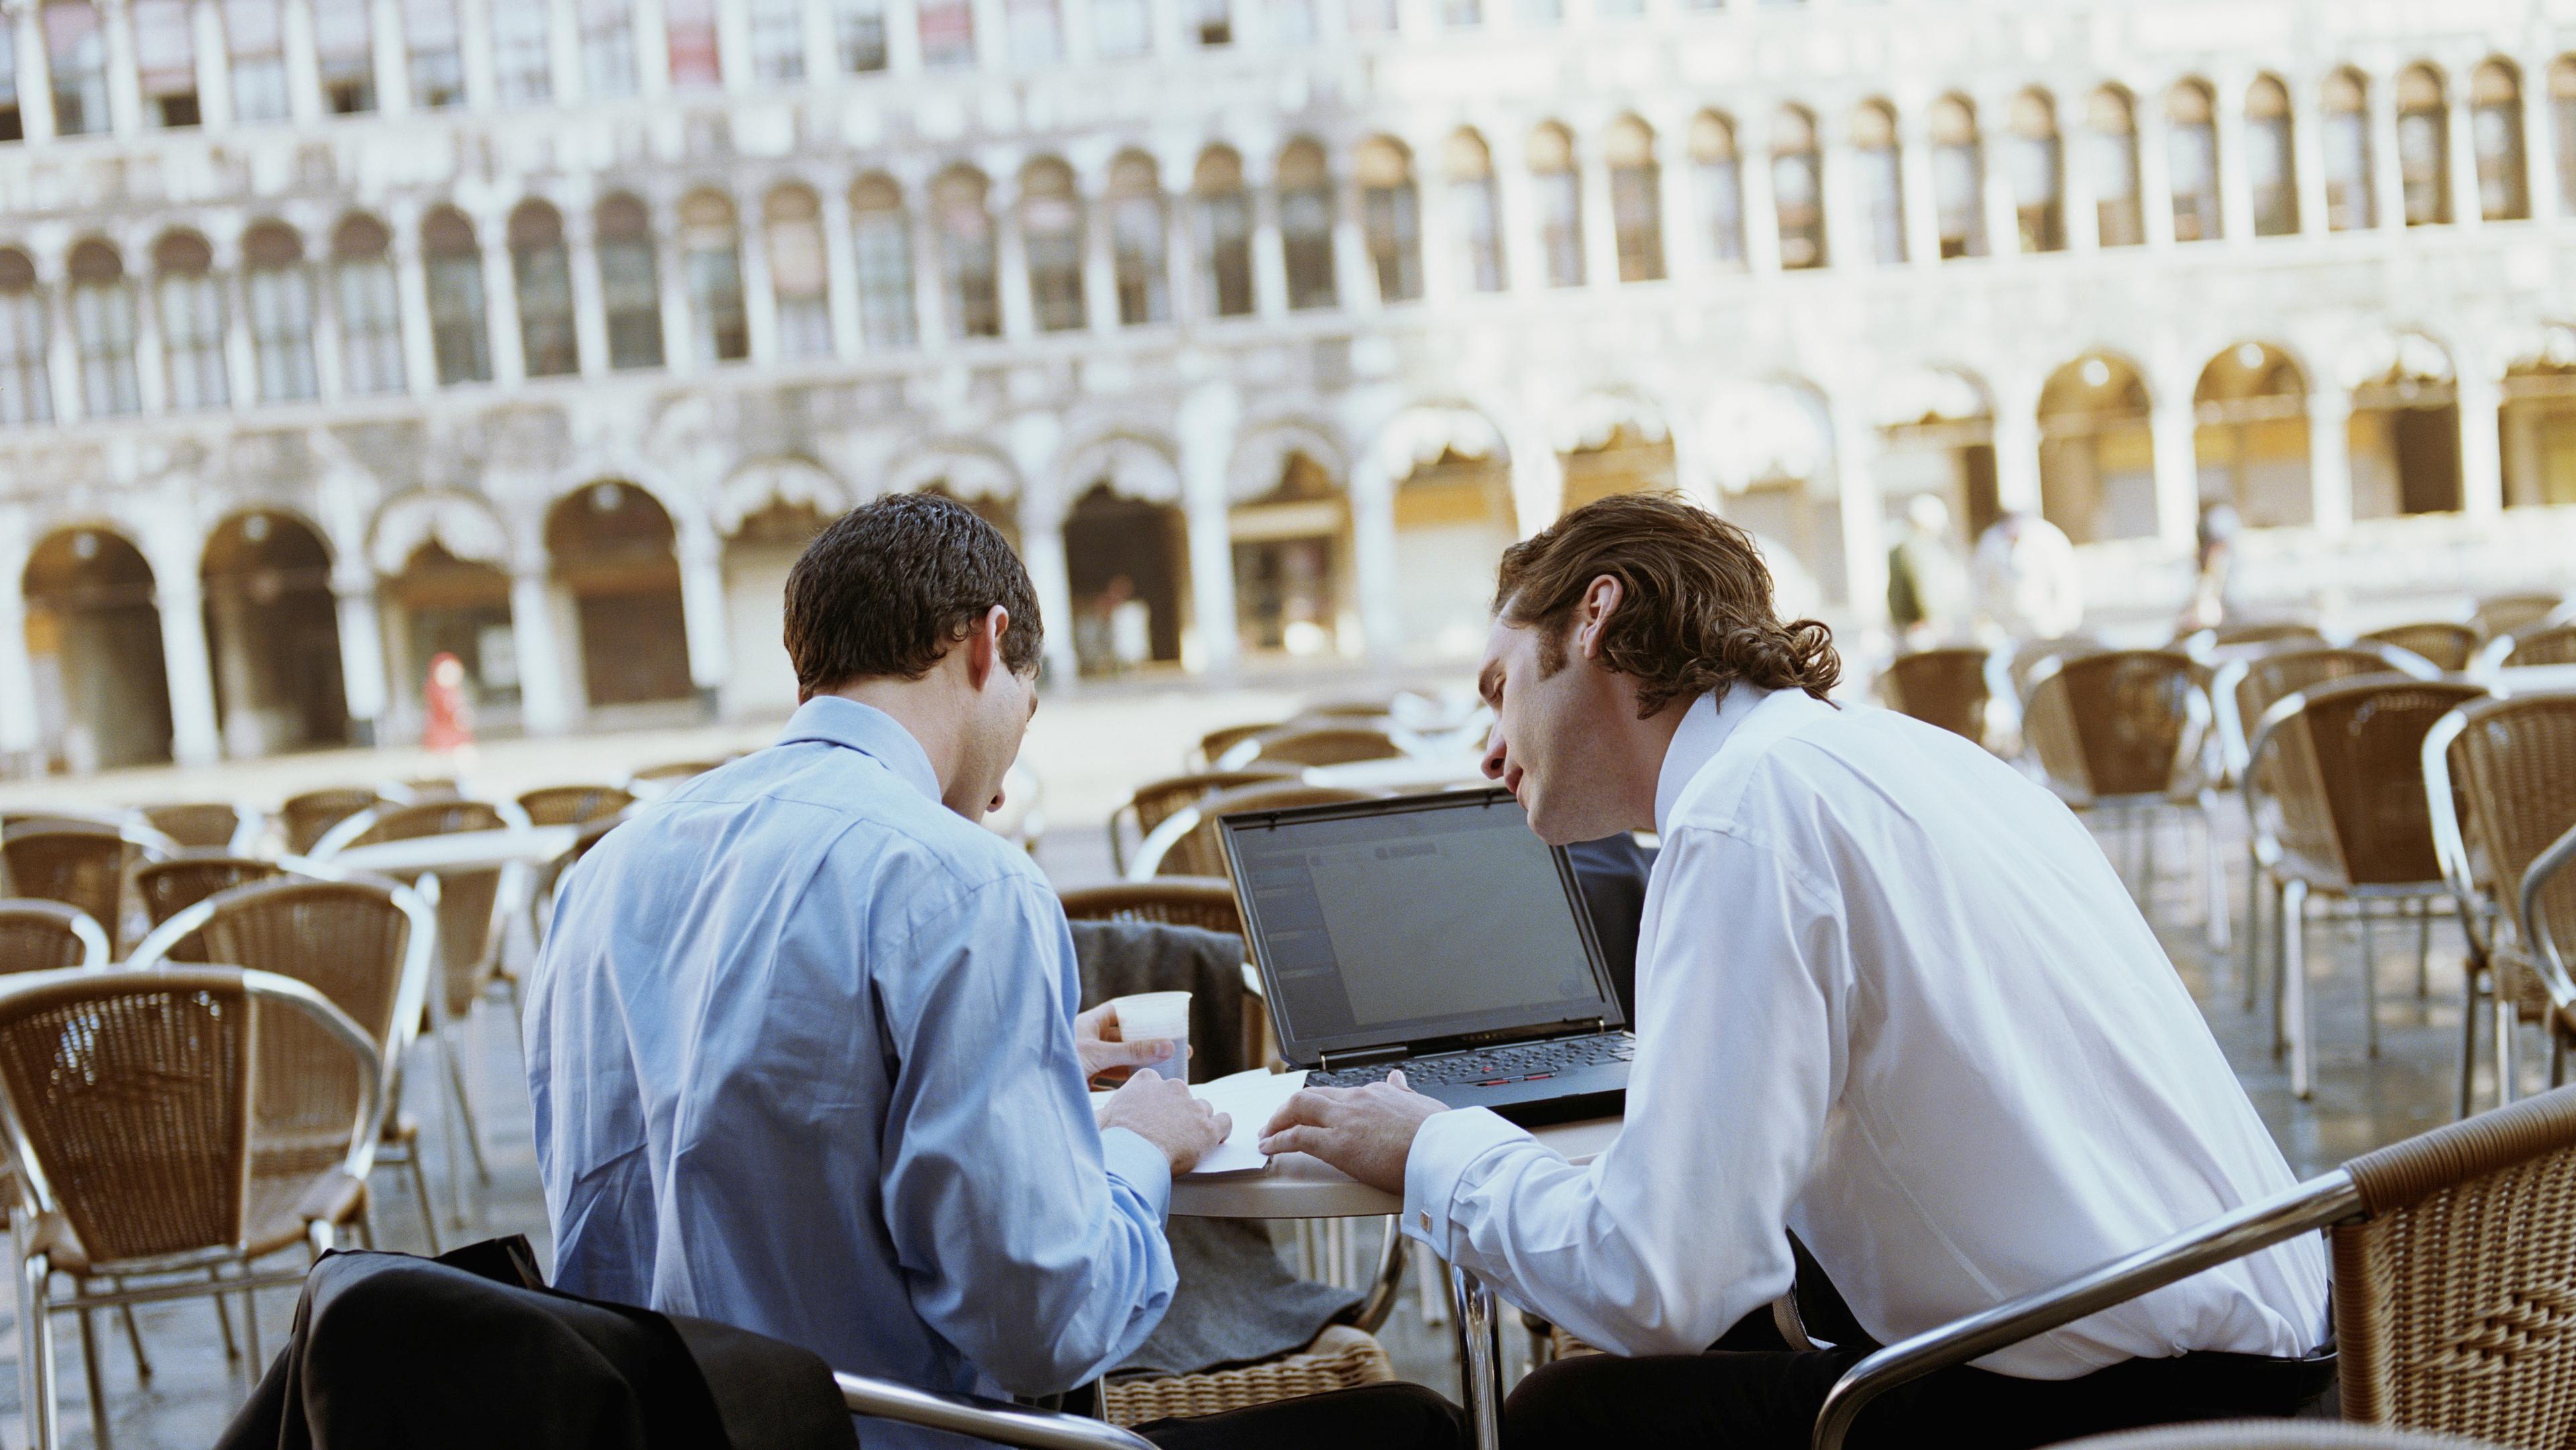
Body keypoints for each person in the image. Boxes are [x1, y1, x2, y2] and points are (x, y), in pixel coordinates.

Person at [1259, 492, 2332, 1449]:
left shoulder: (1742, 816)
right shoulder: (1900, 752)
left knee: (1565, 1418)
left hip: (2128, 1408)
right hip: (2293, 1349)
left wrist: (1434, 1148)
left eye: (1500, 689)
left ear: (1593, 618)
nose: (1491, 751)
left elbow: (1655, 1282)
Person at [527, 495, 1462, 1450]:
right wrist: (1141, 1143)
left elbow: (728, 1124)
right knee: (1413, 1425)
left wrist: (1021, 1055)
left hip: (665, 1432)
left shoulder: (600, 879)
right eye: (1027, 704)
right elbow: (1043, 1326)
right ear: (988, 644)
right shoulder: (959, 881)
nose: (1010, 778)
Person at [1971, 508, 2084, 645]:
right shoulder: (1991, 541)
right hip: (2007, 628)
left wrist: (2065, 619)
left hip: (2043, 625)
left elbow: (2066, 580)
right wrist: (1984, 621)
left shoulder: (2048, 538)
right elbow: (1980, 583)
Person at [1884, 493, 1967, 648]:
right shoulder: (1917, 547)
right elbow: (1926, 587)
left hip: (1910, 628)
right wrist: (1935, 619)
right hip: (1922, 630)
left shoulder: (1904, 546)